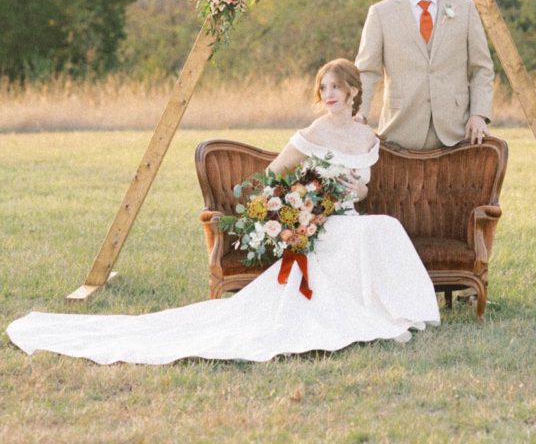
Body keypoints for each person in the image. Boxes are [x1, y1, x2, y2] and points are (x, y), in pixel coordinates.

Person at [6, 59, 439, 365]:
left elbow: (363, 187)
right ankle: (377, 313)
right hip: (319, 225)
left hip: (350, 218)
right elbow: (273, 178)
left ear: (352, 91)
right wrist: (307, 199)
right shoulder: (312, 133)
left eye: (334, 87)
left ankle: (392, 310)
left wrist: (356, 187)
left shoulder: (365, 135)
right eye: (322, 88)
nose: (327, 95)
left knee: (383, 226)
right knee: (375, 231)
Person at [355, 0, 494, 150]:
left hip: (457, 132)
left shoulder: (465, 8)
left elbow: (482, 69)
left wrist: (478, 114)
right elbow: (366, 71)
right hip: (399, 131)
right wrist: (359, 114)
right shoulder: (381, 13)